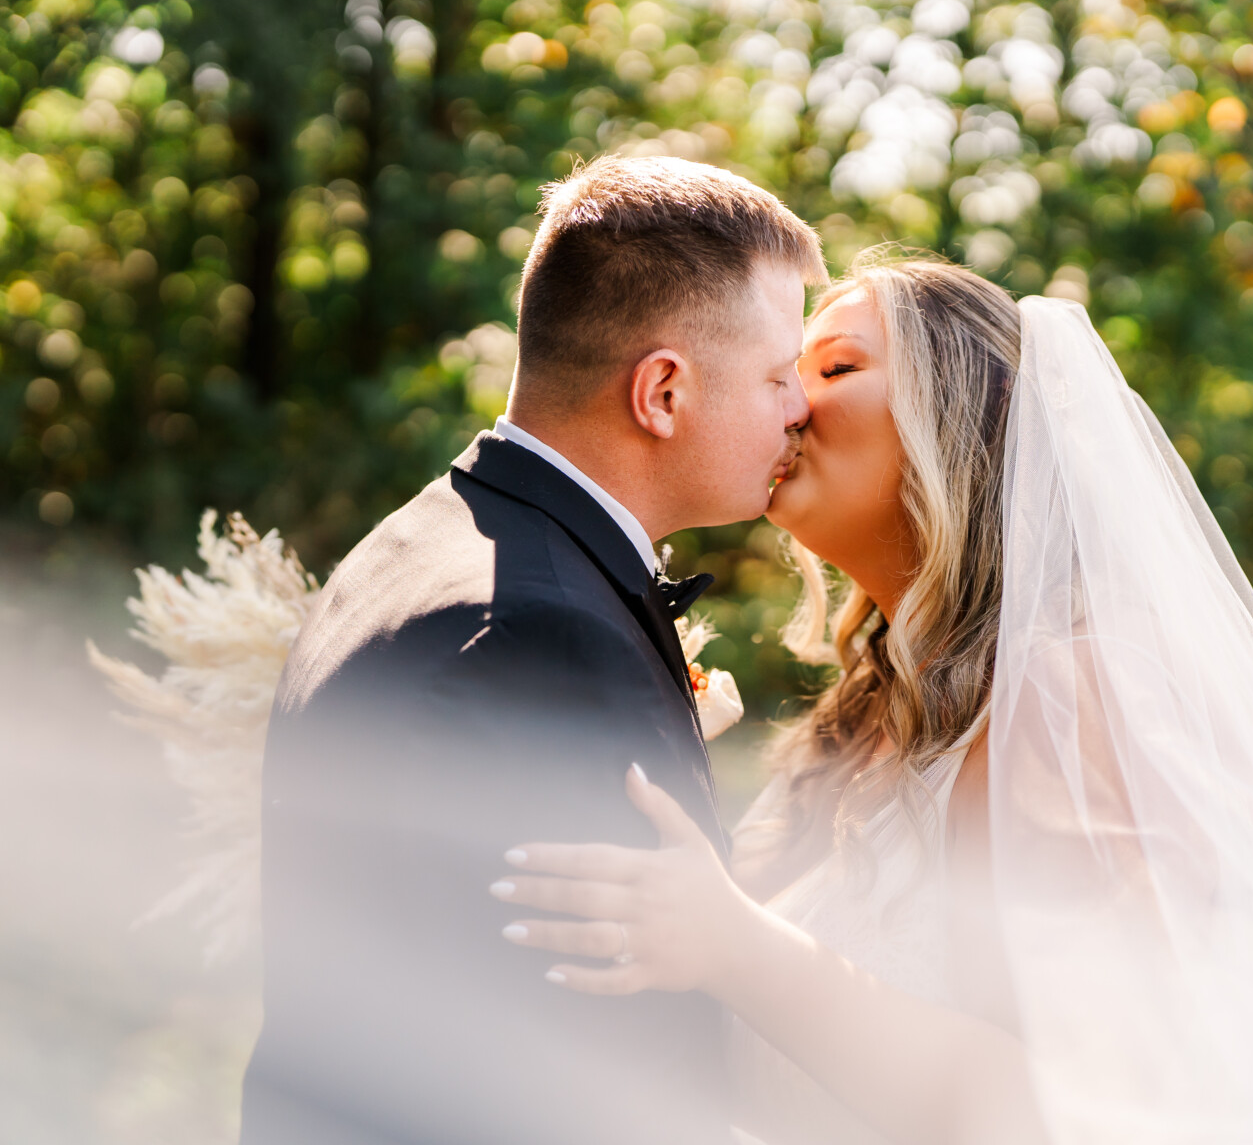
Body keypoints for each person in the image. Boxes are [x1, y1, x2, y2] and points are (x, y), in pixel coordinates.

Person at [492, 253, 1253, 1143]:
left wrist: (741, 950)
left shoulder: (1080, 702)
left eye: (834, 368)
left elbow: (1105, 1106)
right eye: (783, 374)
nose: (788, 403)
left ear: (964, 416)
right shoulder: (868, 713)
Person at [239, 154, 826, 1145]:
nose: (800, 407)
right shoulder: (541, 643)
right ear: (664, 393)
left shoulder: (431, 532)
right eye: (778, 375)